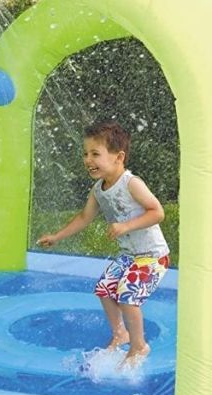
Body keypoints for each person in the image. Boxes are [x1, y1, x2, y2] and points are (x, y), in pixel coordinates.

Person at [38, 121, 170, 370]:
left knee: (128, 297)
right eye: (85, 154)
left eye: (95, 154)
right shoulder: (98, 189)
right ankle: (121, 333)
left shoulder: (132, 183)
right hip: (130, 255)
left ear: (118, 157)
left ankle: (139, 345)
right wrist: (57, 236)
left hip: (153, 256)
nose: (88, 160)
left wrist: (126, 226)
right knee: (105, 288)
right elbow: (84, 217)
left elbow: (158, 212)